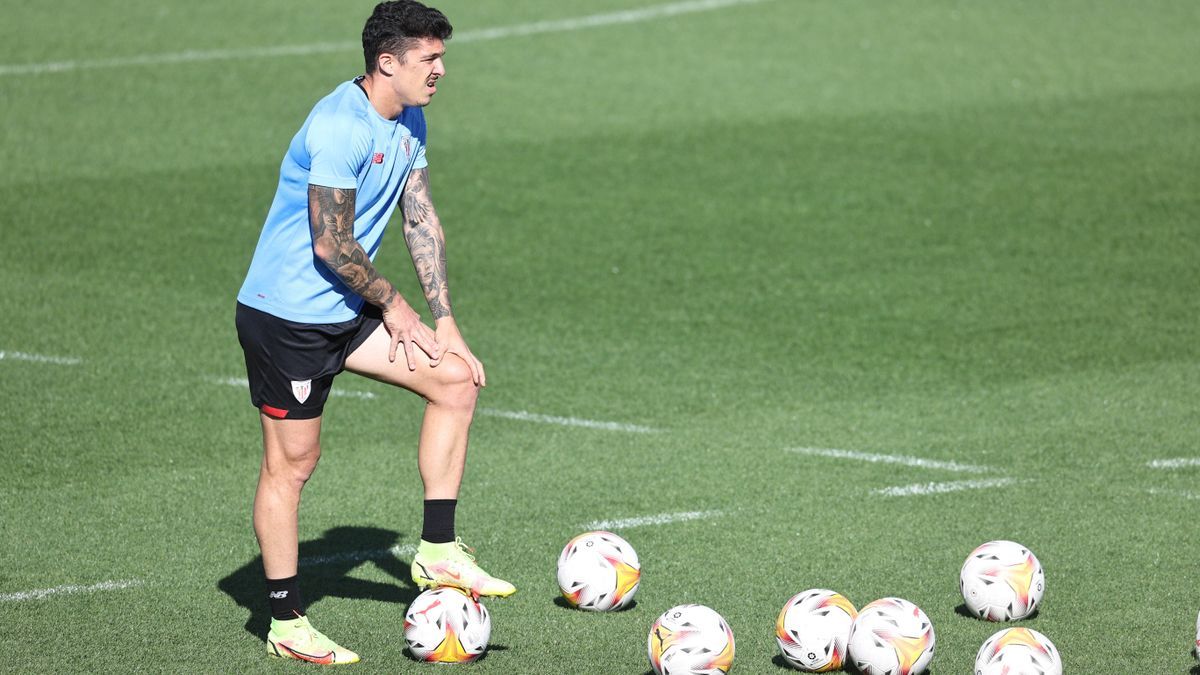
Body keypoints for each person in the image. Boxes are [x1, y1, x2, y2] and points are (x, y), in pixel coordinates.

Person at [234, 0, 513, 664]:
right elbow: (331, 244)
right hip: (289, 318)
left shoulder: (409, 117)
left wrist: (444, 318)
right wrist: (395, 305)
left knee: (454, 378)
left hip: (343, 309)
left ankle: (438, 551)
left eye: (442, 56)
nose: (442, 70)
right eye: (430, 59)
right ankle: (284, 619)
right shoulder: (339, 126)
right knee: (293, 463)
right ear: (387, 62)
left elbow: (419, 217)